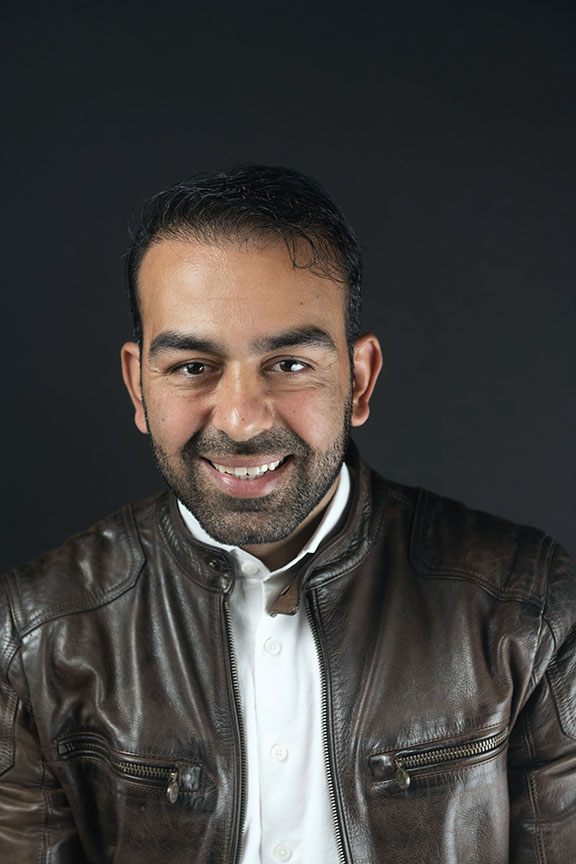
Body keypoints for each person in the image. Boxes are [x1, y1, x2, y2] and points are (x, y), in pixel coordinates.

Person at [0, 165, 574, 864]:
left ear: (358, 380)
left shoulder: (530, 608)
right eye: (192, 367)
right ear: (138, 387)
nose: (241, 421)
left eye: (290, 364)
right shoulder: (31, 634)